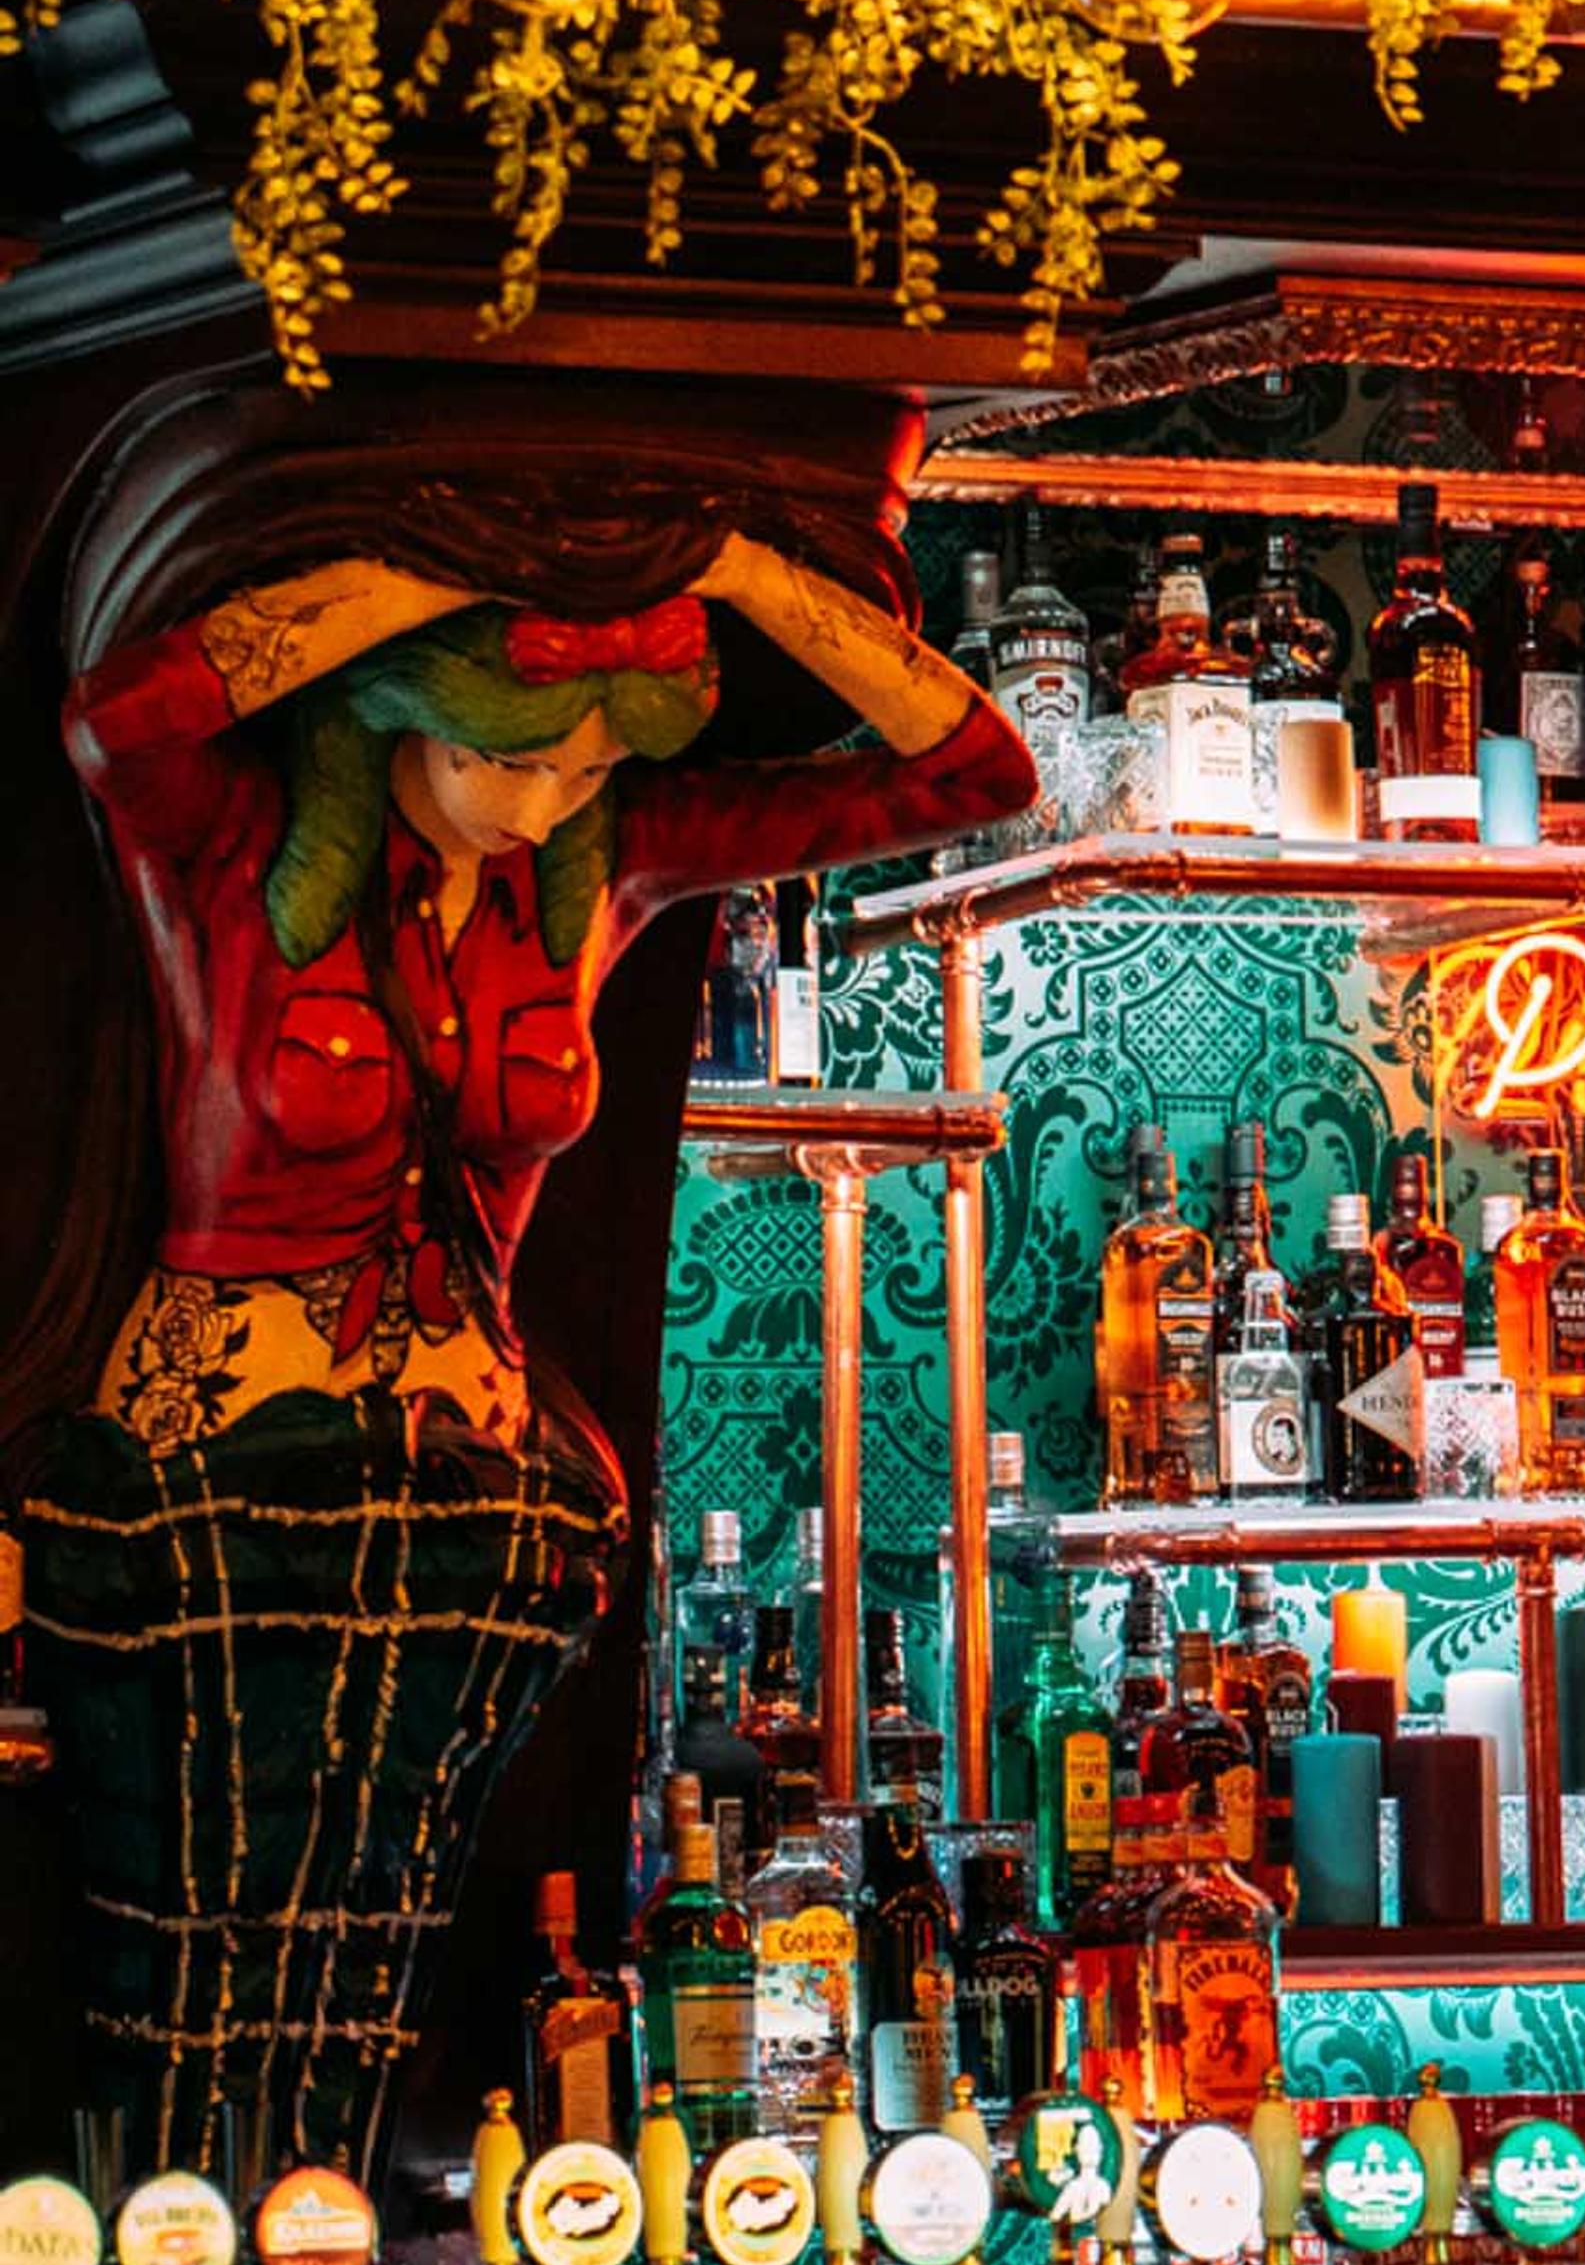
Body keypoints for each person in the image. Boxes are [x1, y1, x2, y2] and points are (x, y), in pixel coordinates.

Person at [17, 528, 1033, 2166]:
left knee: (364, 1970)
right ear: (391, 712)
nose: (538, 801)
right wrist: (437, 571)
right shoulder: (240, 835)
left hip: (484, 1526)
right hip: (202, 1489)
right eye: (499, 747)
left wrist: (749, 577)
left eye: (582, 762)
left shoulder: (605, 863)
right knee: (195, 1962)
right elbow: (113, 719)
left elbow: (973, 779)